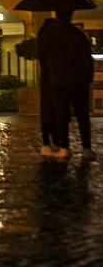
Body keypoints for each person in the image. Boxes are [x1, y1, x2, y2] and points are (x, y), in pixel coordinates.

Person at [37, 9, 96, 161]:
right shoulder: (78, 34)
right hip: (78, 80)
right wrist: (88, 77)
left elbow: (42, 57)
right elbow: (87, 57)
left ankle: (65, 148)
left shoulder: (48, 34)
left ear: (56, 15)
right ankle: (86, 148)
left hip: (58, 81)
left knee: (61, 115)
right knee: (82, 115)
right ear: (70, 16)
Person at [36, 17, 59, 158]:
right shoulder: (52, 44)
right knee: (56, 112)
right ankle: (56, 141)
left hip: (46, 81)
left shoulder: (41, 43)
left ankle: (47, 143)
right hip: (54, 80)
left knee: (47, 112)